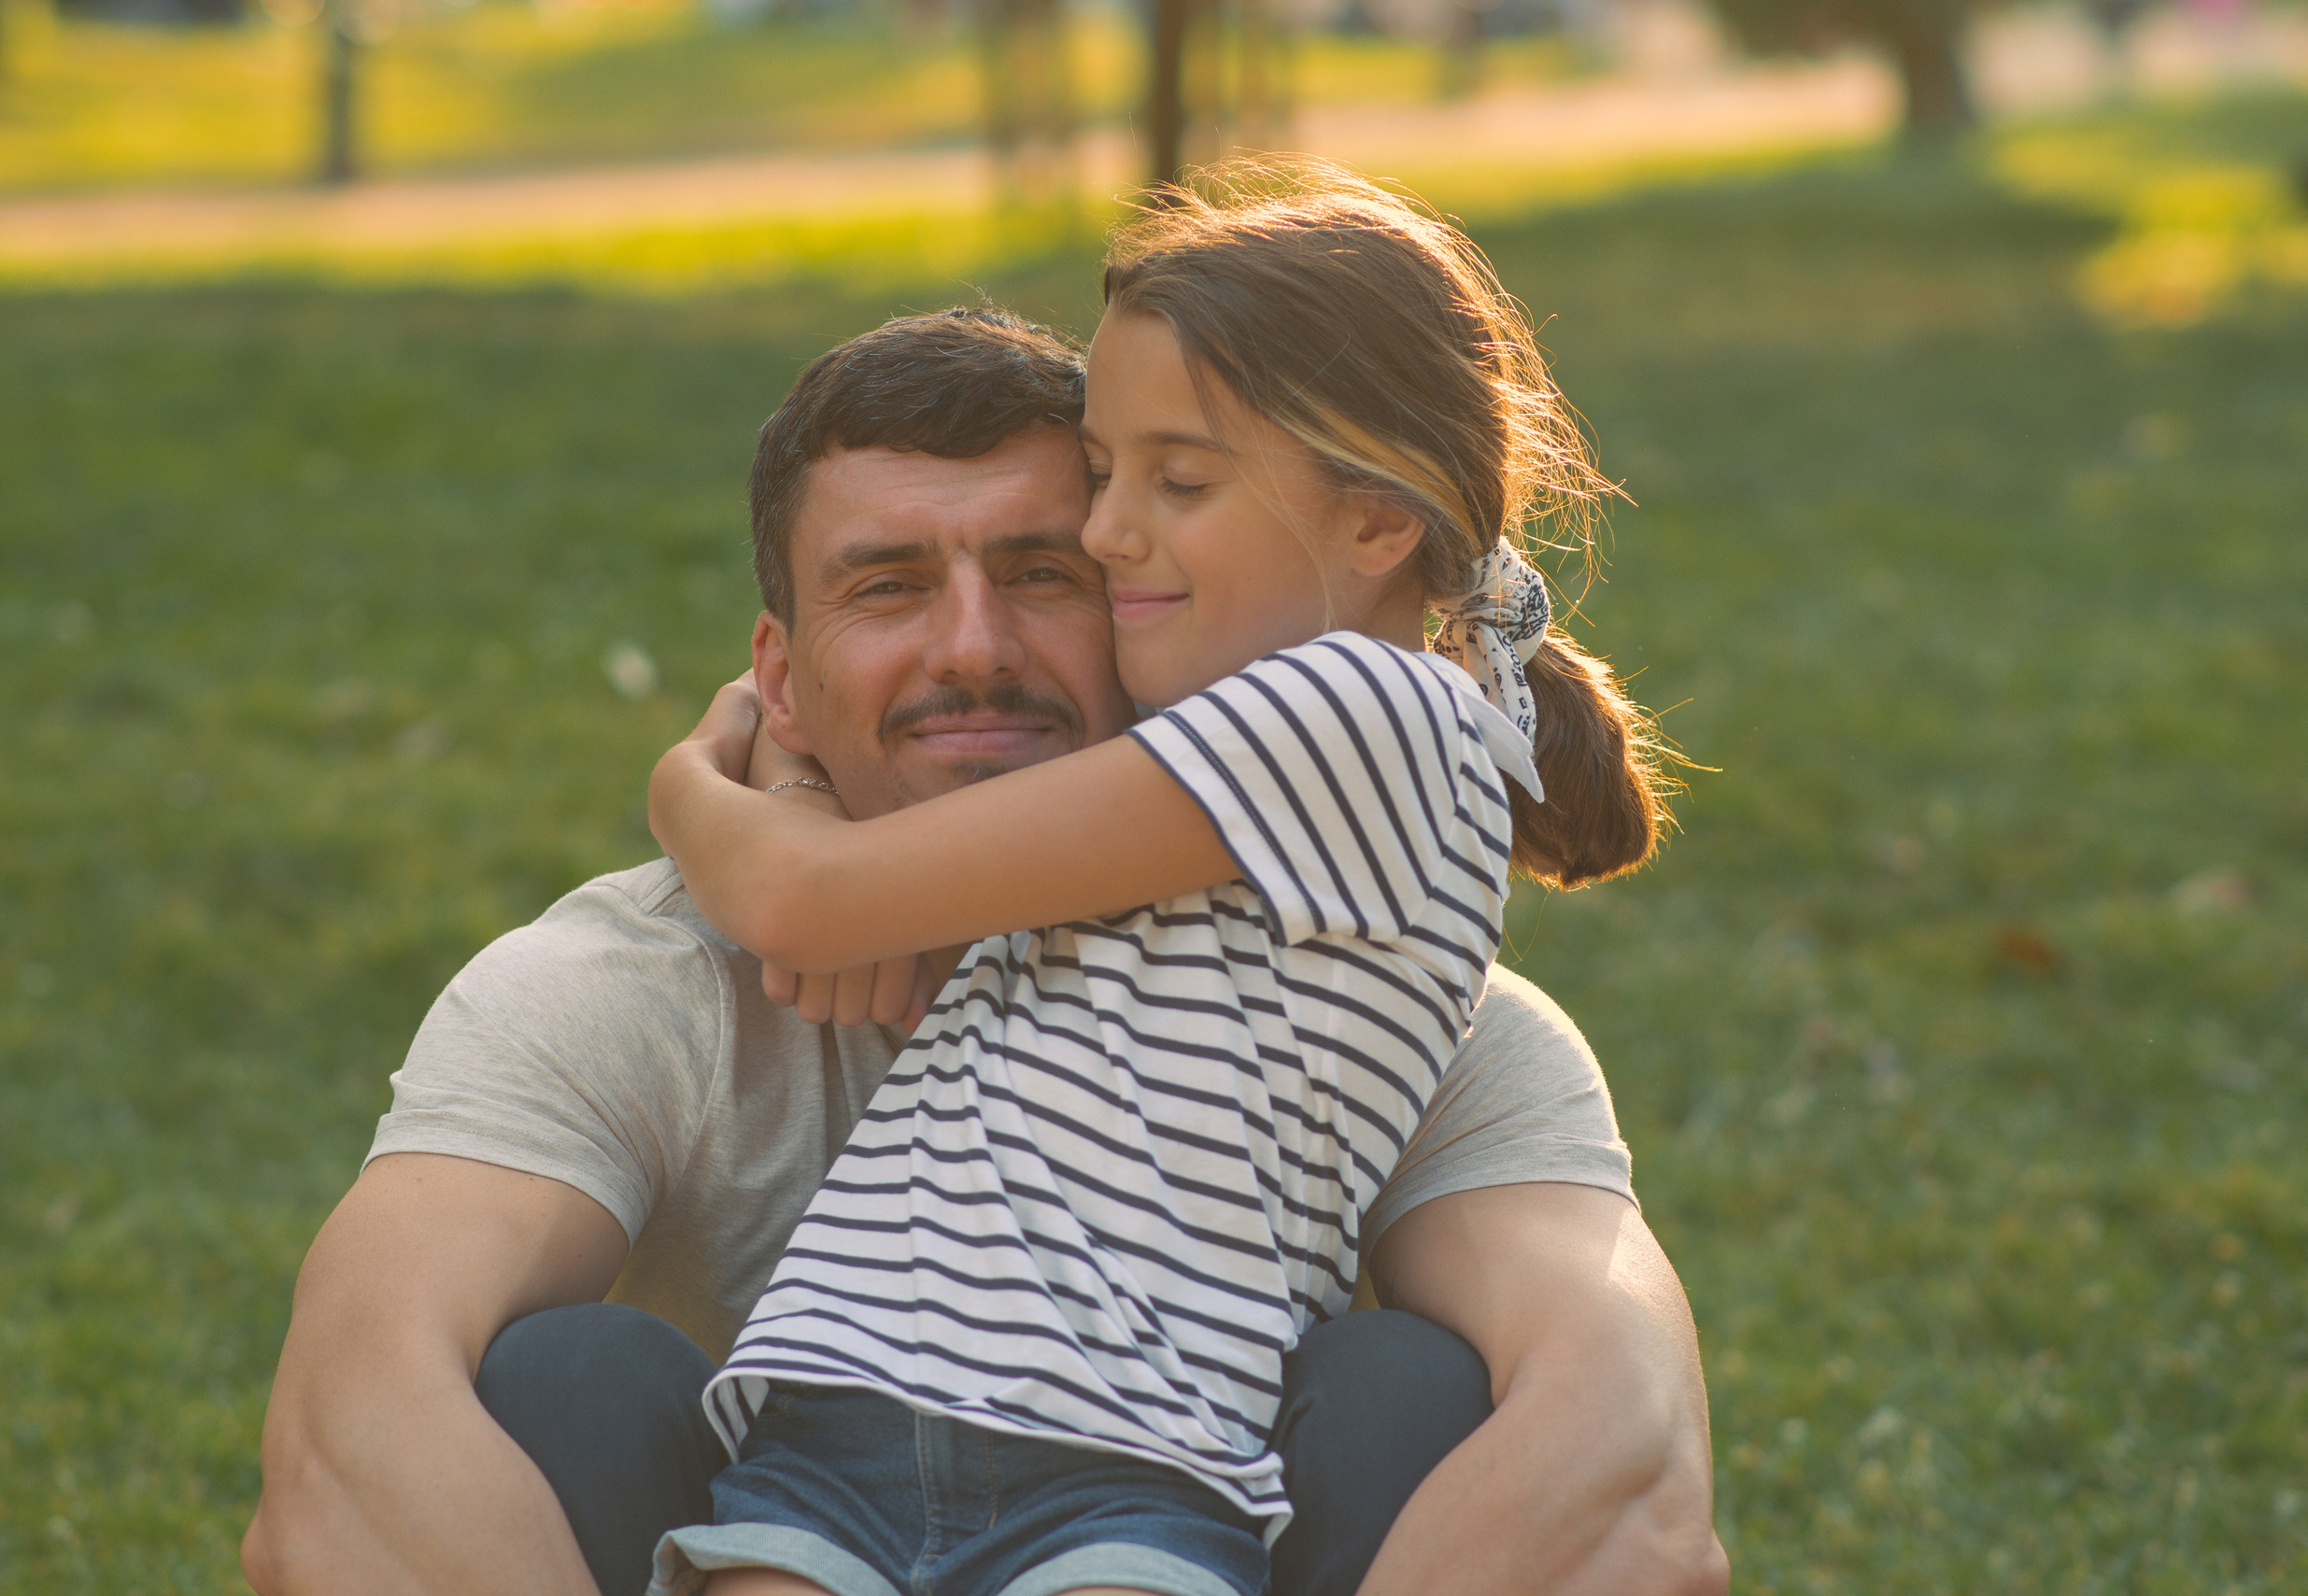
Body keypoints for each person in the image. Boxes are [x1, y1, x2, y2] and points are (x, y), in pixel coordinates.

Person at [242, 302, 1727, 1596]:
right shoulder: (624, 989)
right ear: (779, 680)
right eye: (888, 586)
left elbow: (1627, 1477)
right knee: (559, 1382)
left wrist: (709, 793)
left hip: (1155, 1539)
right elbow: (345, 1449)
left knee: (1409, 1394)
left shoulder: (1405, 1010)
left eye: (1041, 574)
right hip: (773, 1532)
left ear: (1158, 609)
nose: (973, 647)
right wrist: (774, 832)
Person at [639, 162, 1712, 1596]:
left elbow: (799, 902)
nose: (1102, 532)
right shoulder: (1248, 721)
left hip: (1125, 1464)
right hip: (843, 1415)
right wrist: (797, 777)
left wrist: (697, 775)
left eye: (1179, 480)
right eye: (1107, 469)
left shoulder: (1360, 710)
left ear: (1379, 521)